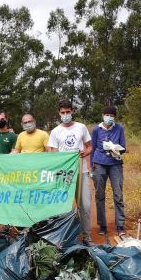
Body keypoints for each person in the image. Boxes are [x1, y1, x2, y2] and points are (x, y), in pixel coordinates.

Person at [47, 99, 94, 246]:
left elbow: (89, 147)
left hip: (82, 171)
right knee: (63, 206)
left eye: (68, 112)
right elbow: (53, 154)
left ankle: (87, 236)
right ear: (59, 113)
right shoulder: (55, 132)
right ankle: (65, 236)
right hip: (64, 174)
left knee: (85, 205)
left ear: (72, 111)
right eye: (63, 112)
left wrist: (84, 153)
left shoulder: (81, 127)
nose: (66, 115)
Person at [90, 106, 128, 238]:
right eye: (107, 115)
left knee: (118, 194)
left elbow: (124, 147)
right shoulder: (96, 130)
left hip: (115, 164)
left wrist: (115, 149)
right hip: (99, 164)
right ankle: (102, 225)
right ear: (102, 115)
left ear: (115, 117)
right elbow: (92, 148)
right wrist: (92, 167)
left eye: (111, 115)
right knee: (99, 195)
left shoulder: (119, 129)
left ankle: (120, 225)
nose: (109, 117)